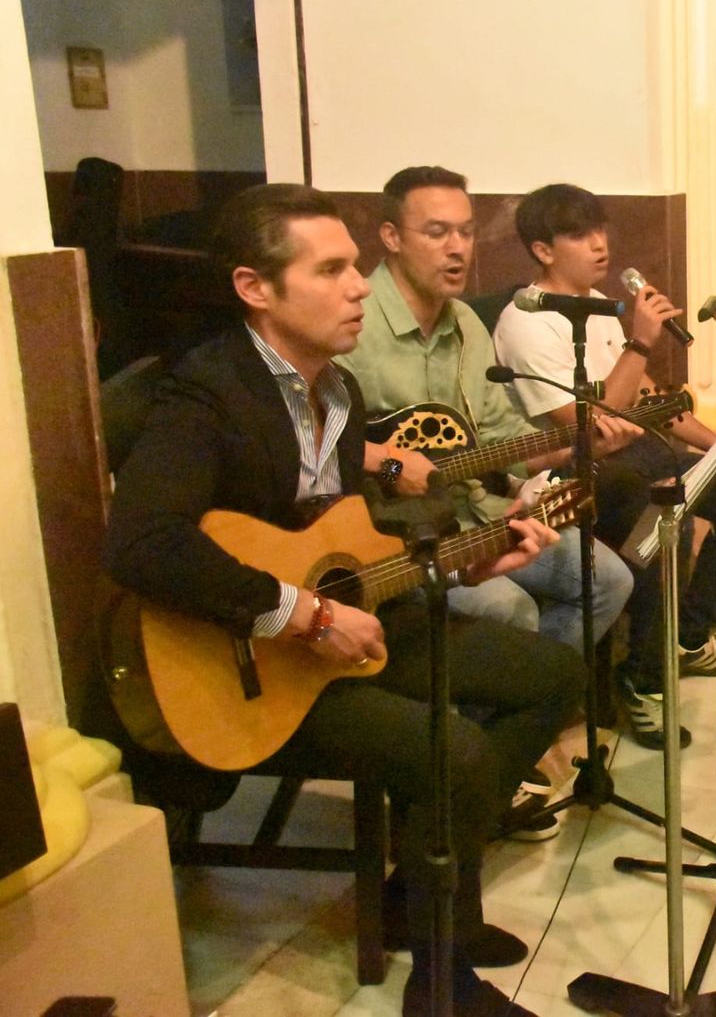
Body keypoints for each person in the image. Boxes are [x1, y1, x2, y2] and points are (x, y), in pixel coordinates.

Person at [103, 183, 585, 1017]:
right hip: (250, 663)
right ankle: (440, 981)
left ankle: (427, 880)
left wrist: (477, 559)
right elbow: (141, 543)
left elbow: (349, 546)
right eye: (330, 270)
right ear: (256, 287)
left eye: (355, 268)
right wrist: (308, 613)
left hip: (345, 626)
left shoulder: (338, 393)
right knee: (458, 751)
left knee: (554, 676)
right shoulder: (207, 393)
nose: (359, 285)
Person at [493, 183, 716, 750]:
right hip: (570, 470)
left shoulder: (597, 307)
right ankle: (641, 679)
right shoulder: (526, 321)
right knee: (659, 520)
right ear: (543, 249)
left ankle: (688, 633)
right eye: (579, 234)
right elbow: (588, 425)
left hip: (632, 453)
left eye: (601, 230)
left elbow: (649, 402)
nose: (599, 245)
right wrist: (641, 342)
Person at [337, 165, 634, 654]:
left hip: (478, 513)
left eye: (466, 232)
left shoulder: (466, 325)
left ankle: (532, 705)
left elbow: (501, 437)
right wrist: (391, 464)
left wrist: (575, 446)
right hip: (394, 538)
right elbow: (313, 439)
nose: (457, 247)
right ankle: (499, 714)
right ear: (391, 236)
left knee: (609, 581)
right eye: (436, 232)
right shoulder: (353, 328)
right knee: (508, 609)